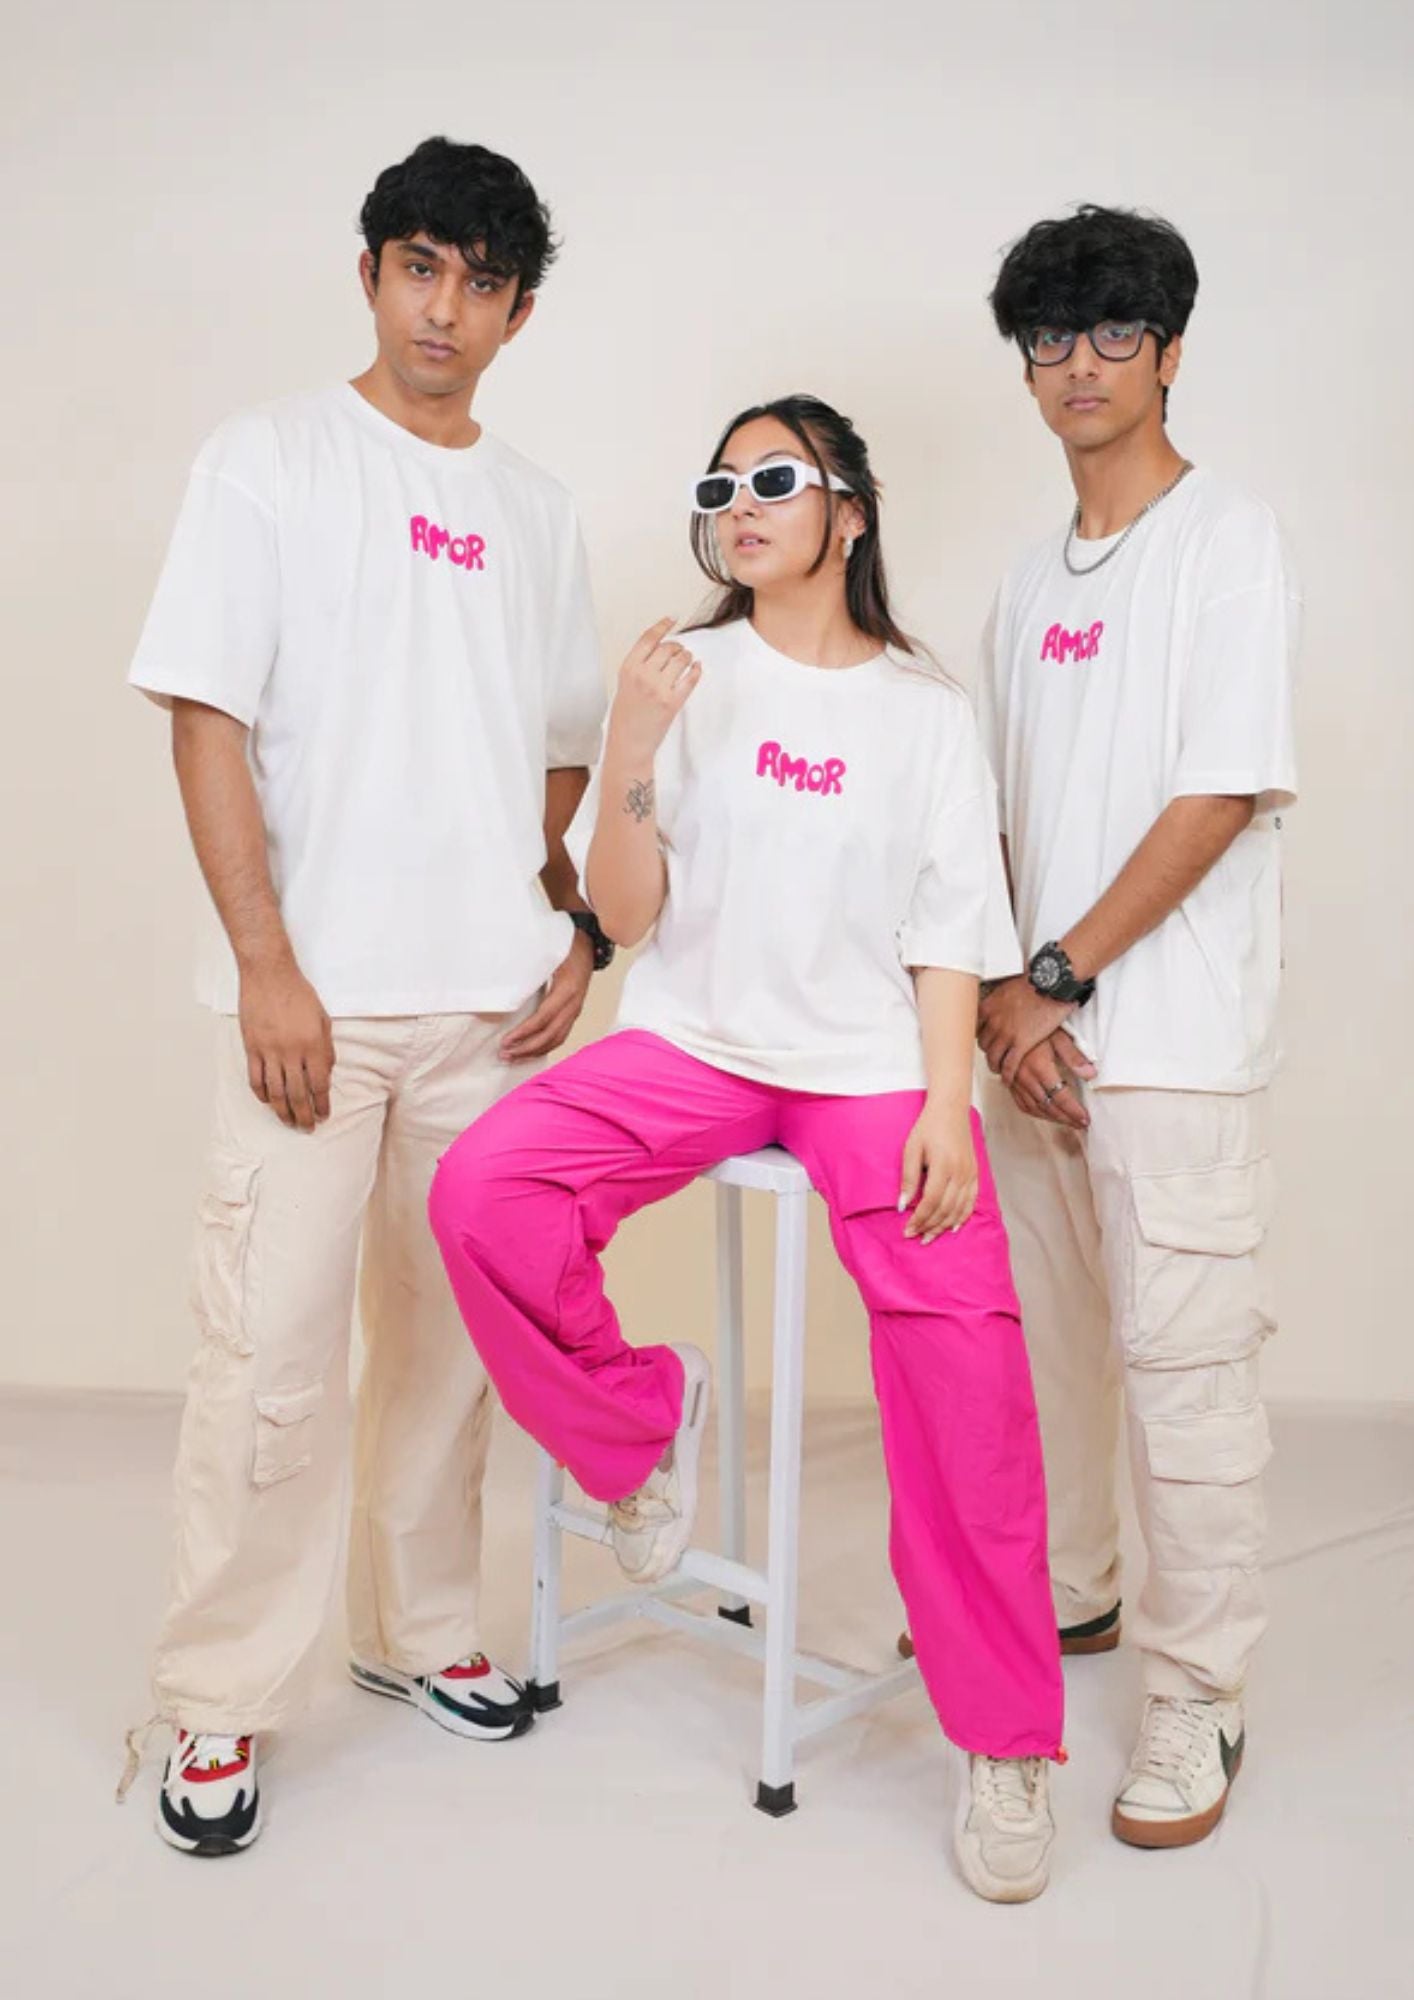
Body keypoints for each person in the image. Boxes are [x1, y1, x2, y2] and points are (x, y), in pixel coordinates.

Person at [428, 394, 1066, 1904]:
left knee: (965, 1362)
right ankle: (638, 1423)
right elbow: (627, 915)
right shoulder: (686, 674)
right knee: (484, 1189)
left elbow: (945, 929)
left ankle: (1004, 1736)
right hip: (695, 1047)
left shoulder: (925, 711)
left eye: (774, 478)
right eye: (720, 488)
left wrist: (943, 1105)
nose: (742, 506)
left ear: (850, 511)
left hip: (867, 1070)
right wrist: (636, 743)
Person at [121, 136, 613, 1854]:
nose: (443, 310)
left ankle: (419, 1631)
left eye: (480, 284)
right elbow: (205, 718)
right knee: (267, 1353)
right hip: (311, 1009)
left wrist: (564, 927)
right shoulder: (268, 460)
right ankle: (218, 1700)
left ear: (517, 313)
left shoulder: (538, 509)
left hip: (488, 1012)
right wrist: (267, 962)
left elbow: (561, 747)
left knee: (450, 1349)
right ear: (369, 274)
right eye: (419, 268)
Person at [975, 204, 1299, 1847]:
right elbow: (992, 817)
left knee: (1185, 1385)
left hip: (1164, 1048)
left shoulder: (1224, 541)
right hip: (1035, 1052)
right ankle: (1072, 1594)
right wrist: (1006, 1009)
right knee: (1042, 1365)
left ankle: (1196, 1693)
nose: (1079, 365)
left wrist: (1056, 976)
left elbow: (1217, 792)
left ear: (1168, 353)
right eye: (1050, 337)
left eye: (1113, 333)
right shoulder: (1026, 582)